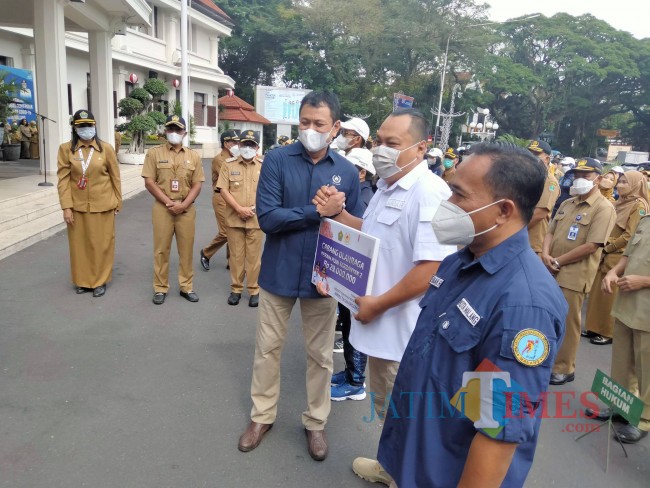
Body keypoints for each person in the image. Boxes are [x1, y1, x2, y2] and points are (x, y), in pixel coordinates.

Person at [376, 142, 567, 488]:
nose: (447, 205)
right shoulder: (459, 262)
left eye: (459, 195)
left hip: (448, 474)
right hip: (420, 454)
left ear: (503, 211)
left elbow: (495, 429)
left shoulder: (521, 305)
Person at [312, 108, 455, 483]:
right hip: (379, 328)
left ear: (422, 148)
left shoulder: (428, 193)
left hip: (403, 334)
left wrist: (379, 303)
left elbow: (433, 267)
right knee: (387, 411)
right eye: (379, 141)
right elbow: (370, 237)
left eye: (393, 144)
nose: (381, 150)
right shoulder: (387, 185)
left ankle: (405, 477)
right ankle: (389, 466)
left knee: (405, 415)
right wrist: (338, 214)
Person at [237, 91, 363, 461]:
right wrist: (315, 211)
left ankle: (315, 423)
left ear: (335, 127)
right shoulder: (276, 160)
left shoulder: (346, 172)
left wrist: (336, 213)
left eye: (318, 124)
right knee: (267, 349)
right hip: (278, 273)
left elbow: (354, 230)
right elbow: (268, 218)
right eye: (304, 122)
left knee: (321, 356)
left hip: (322, 280)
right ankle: (262, 416)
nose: (310, 129)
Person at [542, 158, 616, 385]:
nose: (579, 179)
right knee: (547, 318)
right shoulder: (568, 203)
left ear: (599, 178)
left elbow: (592, 246)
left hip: (574, 274)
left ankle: (564, 367)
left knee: (568, 321)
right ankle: (545, 361)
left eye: (586, 175)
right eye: (577, 175)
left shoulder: (604, 208)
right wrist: (545, 255)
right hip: (550, 267)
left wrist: (557, 261)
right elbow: (550, 231)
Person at [590, 213, 650, 444]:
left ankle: (644, 419)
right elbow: (629, 254)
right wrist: (614, 273)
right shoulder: (646, 220)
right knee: (622, 362)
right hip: (627, 303)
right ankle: (622, 407)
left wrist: (644, 281)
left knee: (647, 369)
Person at [56, 110, 122, 298]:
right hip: (77, 206)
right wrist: (66, 207)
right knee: (80, 245)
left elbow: (115, 177)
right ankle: (83, 281)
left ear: (94, 126)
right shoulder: (66, 149)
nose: (86, 129)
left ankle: (100, 281)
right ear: (75, 128)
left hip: (103, 204)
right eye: (82, 126)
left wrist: (118, 201)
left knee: (102, 244)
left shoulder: (106, 149)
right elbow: (63, 180)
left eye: (89, 125)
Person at [141, 115, 204, 305]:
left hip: (186, 209)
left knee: (186, 250)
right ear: (165, 131)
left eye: (178, 130)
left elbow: (197, 184)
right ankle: (160, 287)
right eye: (170, 129)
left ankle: (186, 286)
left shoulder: (193, 155)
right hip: (162, 208)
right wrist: (169, 202)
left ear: (184, 132)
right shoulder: (154, 154)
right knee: (161, 249)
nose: (174, 133)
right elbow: (149, 182)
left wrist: (184, 205)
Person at [583, 171, 649, 345]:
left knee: (609, 297)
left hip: (617, 256)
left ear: (636, 185)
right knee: (598, 293)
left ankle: (607, 332)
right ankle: (594, 327)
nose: (620, 185)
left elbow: (630, 236)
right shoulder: (619, 202)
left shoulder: (638, 205)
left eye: (625, 182)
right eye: (619, 182)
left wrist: (607, 246)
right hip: (606, 253)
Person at [217, 130, 263, 307]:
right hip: (234, 218)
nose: (247, 148)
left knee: (253, 257)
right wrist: (239, 209)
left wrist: (253, 210)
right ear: (239, 145)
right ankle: (236, 289)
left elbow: (268, 192)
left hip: (256, 219)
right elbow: (223, 189)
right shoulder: (228, 165)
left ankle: (253, 290)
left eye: (251, 145)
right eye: (244, 144)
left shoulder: (263, 165)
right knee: (236, 256)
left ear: (257, 147)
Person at [200, 129, 239, 271]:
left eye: (238, 142)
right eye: (234, 142)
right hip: (221, 196)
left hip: (234, 196)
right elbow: (229, 176)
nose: (237, 144)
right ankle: (206, 252)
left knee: (233, 228)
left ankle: (231, 261)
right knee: (225, 231)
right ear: (226, 143)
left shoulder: (236, 156)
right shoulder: (219, 159)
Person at [527, 140, 560, 256]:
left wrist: (514, 230)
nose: (530, 157)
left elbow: (540, 212)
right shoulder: (527, 177)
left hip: (533, 244)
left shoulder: (550, 182)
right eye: (529, 153)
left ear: (547, 159)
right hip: (517, 240)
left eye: (536, 154)